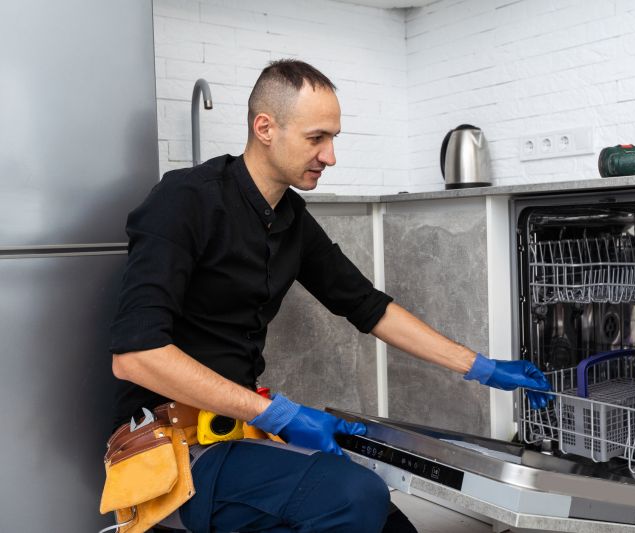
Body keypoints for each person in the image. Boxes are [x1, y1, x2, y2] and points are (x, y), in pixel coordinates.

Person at [108, 59, 551, 533]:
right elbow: (136, 357)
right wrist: (281, 414)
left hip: (239, 431)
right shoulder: (185, 200)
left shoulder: (290, 218)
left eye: (333, 138)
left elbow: (369, 307)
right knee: (354, 497)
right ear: (265, 128)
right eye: (316, 138)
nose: (330, 156)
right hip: (173, 447)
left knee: (390, 525)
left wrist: (482, 367)